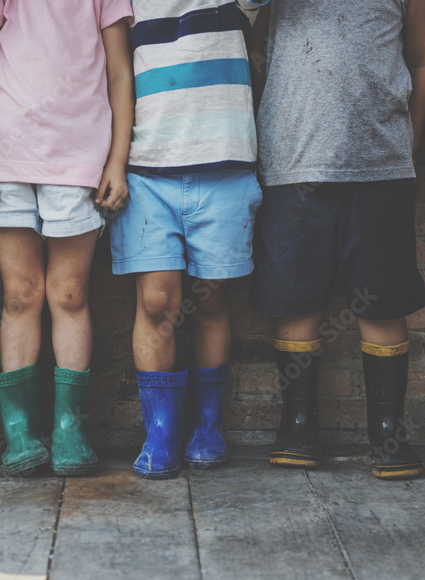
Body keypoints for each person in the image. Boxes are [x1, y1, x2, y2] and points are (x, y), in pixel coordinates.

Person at [251, 0, 425, 479]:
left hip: (380, 165)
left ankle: (386, 430)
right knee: (294, 301)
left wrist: (407, 139)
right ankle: (297, 425)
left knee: (382, 302)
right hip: (294, 160)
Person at [0, 0, 134, 476]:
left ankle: (68, 429)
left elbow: (120, 73)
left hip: (78, 159)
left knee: (70, 293)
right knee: (20, 295)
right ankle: (20, 432)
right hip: (7, 157)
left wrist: (116, 162)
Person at [109, 0, 262, 479]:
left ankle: (208, 426)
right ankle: (160, 431)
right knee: (156, 303)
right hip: (148, 168)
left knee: (212, 299)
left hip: (224, 164)